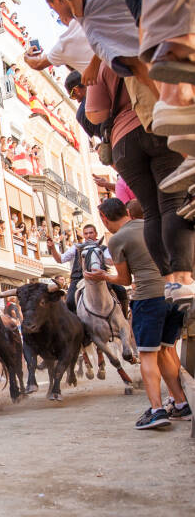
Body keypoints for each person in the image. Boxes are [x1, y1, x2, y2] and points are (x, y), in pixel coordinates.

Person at [81, 62, 195, 305]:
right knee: (172, 204)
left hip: (123, 142)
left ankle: (170, 281)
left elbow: (94, 113)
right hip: (157, 124)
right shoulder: (144, 45)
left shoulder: (102, 62)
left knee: (152, 212)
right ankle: (184, 279)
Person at [85, 198, 190, 428]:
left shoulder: (118, 239)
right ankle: (181, 404)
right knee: (166, 350)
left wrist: (103, 276)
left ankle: (157, 410)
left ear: (104, 218)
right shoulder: (155, 226)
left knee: (148, 355)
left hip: (148, 299)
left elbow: (124, 279)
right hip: (174, 295)